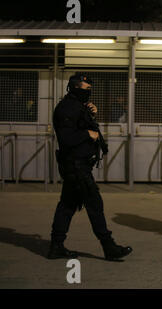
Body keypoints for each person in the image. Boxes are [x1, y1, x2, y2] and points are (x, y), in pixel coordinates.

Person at [48, 73, 132, 261]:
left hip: (78, 165)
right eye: (86, 89)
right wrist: (88, 133)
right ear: (75, 87)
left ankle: (56, 246)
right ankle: (109, 247)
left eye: (90, 89)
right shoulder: (66, 108)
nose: (89, 93)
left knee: (67, 205)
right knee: (94, 205)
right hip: (76, 166)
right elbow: (67, 138)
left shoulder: (77, 106)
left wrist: (90, 114)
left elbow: (79, 125)